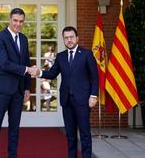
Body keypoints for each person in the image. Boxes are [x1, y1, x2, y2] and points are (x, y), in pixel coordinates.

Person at [32, 26, 98, 158]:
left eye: (71, 37)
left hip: (83, 100)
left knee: (84, 133)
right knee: (70, 134)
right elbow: (52, 73)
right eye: (66, 38)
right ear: (63, 40)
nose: (69, 40)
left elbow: (94, 77)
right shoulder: (61, 56)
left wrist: (93, 95)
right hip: (66, 100)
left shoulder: (86, 54)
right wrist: (39, 73)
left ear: (77, 38)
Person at [0, 8, 34, 158]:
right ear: (10, 20)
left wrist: (27, 87)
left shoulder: (24, 39)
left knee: (14, 128)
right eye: (15, 21)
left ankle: (12, 155)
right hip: (1, 89)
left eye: (21, 21)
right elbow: (4, 63)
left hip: (18, 91)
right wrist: (27, 69)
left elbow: (26, 61)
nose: (18, 24)